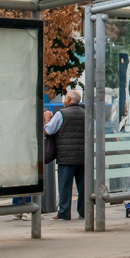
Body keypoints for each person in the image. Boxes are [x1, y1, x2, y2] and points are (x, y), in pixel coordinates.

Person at [44, 90, 85, 221]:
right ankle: (84, 211)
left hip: (66, 157)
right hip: (84, 157)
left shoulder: (61, 114)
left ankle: (64, 213)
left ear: (68, 98)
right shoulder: (86, 114)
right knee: (83, 187)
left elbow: (48, 130)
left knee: (65, 186)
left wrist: (46, 119)